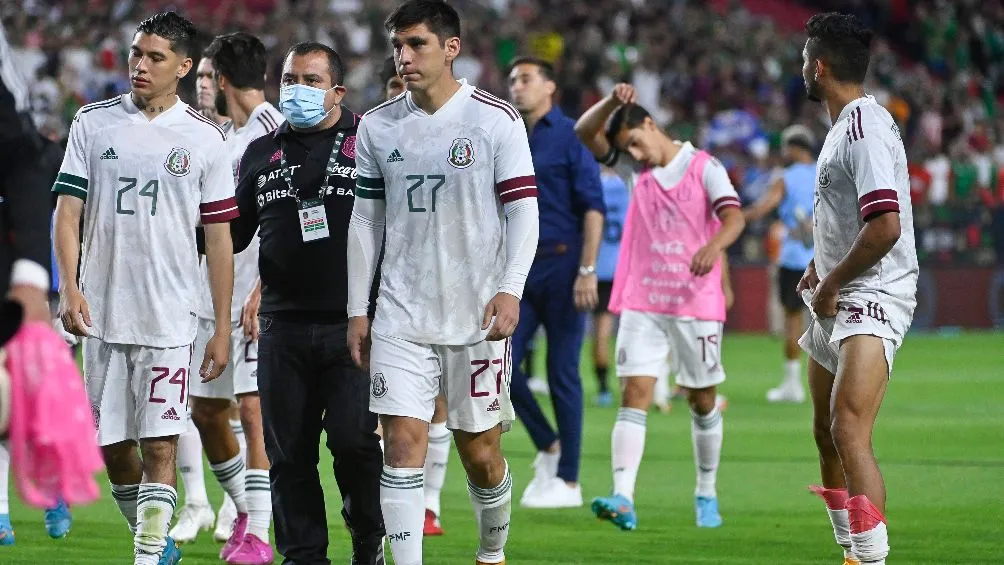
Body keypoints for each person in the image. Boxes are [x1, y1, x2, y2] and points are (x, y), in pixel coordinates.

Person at [347, 2, 539, 563]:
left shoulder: (494, 120)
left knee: (480, 453)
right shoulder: (379, 126)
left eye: (416, 44)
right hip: (401, 314)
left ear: (451, 48)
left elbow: (523, 211)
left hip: (475, 315)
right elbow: (366, 221)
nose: (403, 56)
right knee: (401, 445)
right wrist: (359, 308)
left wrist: (511, 287)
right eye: (398, 46)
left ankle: (491, 552)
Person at [53, 11, 238, 565]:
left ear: (183, 66)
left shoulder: (205, 139)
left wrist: (220, 324)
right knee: (113, 450)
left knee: (160, 443)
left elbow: (220, 239)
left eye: (156, 57)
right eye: (137, 52)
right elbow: (67, 214)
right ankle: (154, 543)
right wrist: (69, 288)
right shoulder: (92, 122)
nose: (141, 64)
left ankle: (147, 555)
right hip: (102, 313)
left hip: (170, 315)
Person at [219, 41, 385, 565]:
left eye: (311, 81)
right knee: (288, 456)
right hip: (282, 327)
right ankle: (303, 556)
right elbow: (234, 235)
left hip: (352, 324)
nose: (297, 91)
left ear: (338, 90)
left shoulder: (372, 143)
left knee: (355, 444)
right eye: (289, 80)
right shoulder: (259, 152)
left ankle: (367, 539)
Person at [574, 84, 745, 531]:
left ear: (649, 124)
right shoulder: (636, 171)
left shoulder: (705, 167)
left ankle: (706, 492)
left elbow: (734, 218)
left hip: (695, 304)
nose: (634, 153)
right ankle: (623, 497)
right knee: (634, 395)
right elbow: (584, 130)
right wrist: (612, 103)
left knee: (703, 402)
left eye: (633, 141)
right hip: (644, 301)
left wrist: (712, 247)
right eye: (626, 149)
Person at [799, 13, 917, 565]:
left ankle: (871, 559)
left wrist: (835, 280)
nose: (801, 66)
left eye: (805, 58)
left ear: (819, 68)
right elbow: (848, 218)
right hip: (836, 290)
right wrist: (816, 265)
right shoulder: (843, 127)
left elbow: (886, 226)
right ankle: (850, 550)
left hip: (873, 291)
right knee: (826, 434)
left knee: (849, 428)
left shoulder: (865, 127)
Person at [179, 32, 283, 565]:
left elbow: (288, 214)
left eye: (205, 77)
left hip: (254, 301)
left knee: (252, 408)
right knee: (205, 411)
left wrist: (265, 288)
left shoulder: (274, 132)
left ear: (220, 79)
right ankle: (245, 507)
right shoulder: (227, 136)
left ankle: (262, 533)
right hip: (212, 298)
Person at [505, 55, 604, 508]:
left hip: (564, 265)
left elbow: (593, 207)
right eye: (512, 80)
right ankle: (548, 443)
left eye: (525, 79)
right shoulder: (505, 136)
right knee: (501, 367)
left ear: (550, 88)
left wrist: (587, 269)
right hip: (517, 269)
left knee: (562, 372)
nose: (516, 86)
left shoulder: (572, 136)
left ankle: (568, 479)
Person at [0, 19, 74, 541]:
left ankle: (55, 485)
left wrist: (41, 283)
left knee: (34, 398)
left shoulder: (50, 160)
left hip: (46, 291)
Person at [376, 54, 450, 537]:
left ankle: (431, 504)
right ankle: (400, 512)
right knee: (391, 419)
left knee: (441, 409)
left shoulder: (448, 141)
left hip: (447, 294)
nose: (397, 92)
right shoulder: (374, 139)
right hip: (385, 298)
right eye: (391, 85)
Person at [169, 50, 235, 547]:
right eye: (203, 77)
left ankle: (242, 505)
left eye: (214, 77)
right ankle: (196, 501)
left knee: (247, 409)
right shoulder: (185, 134)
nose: (205, 85)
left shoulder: (260, 133)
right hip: (187, 287)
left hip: (244, 291)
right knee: (190, 404)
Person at [742, 125, 817, 404]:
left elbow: (765, 206)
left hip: (795, 257)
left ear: (795, 148)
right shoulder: (828, 170)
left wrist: (738, 218)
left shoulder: (785, 177)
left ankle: (792, 384)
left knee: (792, 320)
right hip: (826, 256)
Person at [592, 165, 629, 408]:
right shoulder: (628, 188)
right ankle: (635, 386)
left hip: (598, 268)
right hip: (625, 268)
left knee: (601, 333)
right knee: (631, 332)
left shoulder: (592, 186)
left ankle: (604, 389)